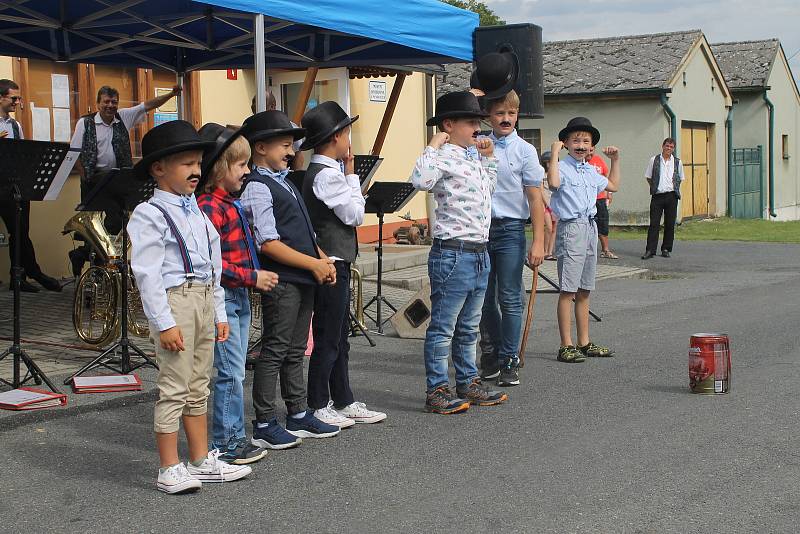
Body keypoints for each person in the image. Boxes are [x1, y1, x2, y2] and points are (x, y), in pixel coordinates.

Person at [127, 120, 251, 494]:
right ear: (159, 168)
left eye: (198, 163)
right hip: (175, 300)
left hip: (201, 297)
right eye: (186, 163)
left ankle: (200, 460)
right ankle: (169, 467)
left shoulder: (196, 211)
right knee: (174, 385)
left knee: (199, 383)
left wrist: (220, 314)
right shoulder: (149, 214)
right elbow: (147, 275)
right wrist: (164, 322)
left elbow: (212, 269)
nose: (196, 171)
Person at [238, 110, 341, 448]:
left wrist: (322, 259)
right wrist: (312, 264)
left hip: (303, 277)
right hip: (283, 281)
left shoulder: (283, 181)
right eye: (284, 145)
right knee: (276, 349)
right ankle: (265, 421)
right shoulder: (257, 186)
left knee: (296, 349)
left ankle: (297, 413)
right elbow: (267, 242)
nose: (291, 151)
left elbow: (304, 233)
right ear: (260, 147)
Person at [411, 90, 507, 414]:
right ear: (448, 125)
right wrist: (433, 144)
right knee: (443, 326)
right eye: (470, 123)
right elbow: (420, 180)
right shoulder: (440, 156)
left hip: (479, 251)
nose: (477, 129)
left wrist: (490, 158)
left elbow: (489, 190)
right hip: (453, 252)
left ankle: (468, 380)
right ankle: (437, 388)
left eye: (478, 122)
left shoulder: (472, 156)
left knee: (469, 325)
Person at [196, 123, 280, 464]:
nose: (247, 172)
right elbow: (213, 266)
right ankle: (227, 442)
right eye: (241, 165)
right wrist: (252, 276)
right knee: (229, 372)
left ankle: (232, 436)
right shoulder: (209, 206)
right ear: (219, 169)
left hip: (238, 297)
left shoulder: (229, 202)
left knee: (236, 371)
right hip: (224, 298)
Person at [300, 101, 387, 427]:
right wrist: (352, 177)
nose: (350, 138)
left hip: (336, 261)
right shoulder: (327, 177)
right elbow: (354, 215)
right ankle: (319, 402)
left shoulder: (327, 173)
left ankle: (343, 398)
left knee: (339, 335)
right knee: (328, 336)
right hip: (330, 263)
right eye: (347, 131)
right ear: (336, 137)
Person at [69, 85, 182, 274]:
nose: (110, 106)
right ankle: (87, 257)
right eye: (106, 101)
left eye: (114, 102)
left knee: (117, 222)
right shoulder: (85, 123)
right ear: (98, 103)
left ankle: (98, 261)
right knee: (92, 226)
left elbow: (148, 105)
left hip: (116, 179)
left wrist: (171, 94)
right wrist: (83, 176)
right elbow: (75, 152)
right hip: (93, 179)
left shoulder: (123, 117)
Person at [477, 90, 545, 388]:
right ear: (489, 115)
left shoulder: (525, 150)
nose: (505, 119)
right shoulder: (477, 144)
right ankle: (490, 351)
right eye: (499, 113)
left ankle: (509, 358)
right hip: (480, 229)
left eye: (511, 113)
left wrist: (539, 240)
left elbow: (534, 198)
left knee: (510, 296)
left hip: (510, 230)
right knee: (483, 298)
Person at [547, 117, 621, 363]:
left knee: (585, 289)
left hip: (590, 226)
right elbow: (554, 183)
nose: (580, 144)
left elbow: (613, 186)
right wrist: (554, 155)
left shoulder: (591, 170)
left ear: (591, 147)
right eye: (575, 140)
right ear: (566, 143)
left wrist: (615, 160)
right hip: (571, 228)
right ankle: (565, 344)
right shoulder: (562, 167)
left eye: (586, 141)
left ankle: (584, 341)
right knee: (568, 290)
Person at [0, 78, 61, 292]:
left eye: (19, 98)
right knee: (16, 230)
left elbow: (22, 153)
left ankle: (21, 275)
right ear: (1, 97)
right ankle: (31, 272)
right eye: (14, 98)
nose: (18, 102)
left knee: (20, 231)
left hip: (13, 185)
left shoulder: (15, 125)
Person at [643, 137, 683, 259]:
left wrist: (674, 188)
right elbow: (648, 177)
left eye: (671, 147)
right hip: (657, 196)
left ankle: (666, 248)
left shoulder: (677, 162)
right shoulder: (654, 160)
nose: (668, 149)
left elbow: (680, 178)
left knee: (670, 224)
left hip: (671, 196)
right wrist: (655, 187)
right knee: (654, 224)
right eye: (667, 146)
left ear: (673, 149)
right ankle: (650, 250)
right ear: (663, 146)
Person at [587, 146, 618, 259]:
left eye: (592, 149)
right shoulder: (582, 164)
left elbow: (607, 179)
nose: (590, 151)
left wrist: (609, 193)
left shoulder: (598, 160)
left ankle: (605, 250)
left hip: (600, 198)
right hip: (588, 199)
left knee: (603, 223)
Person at [539, 151, 558, 261]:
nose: (548, 164)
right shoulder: (541, 173)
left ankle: (550, 252)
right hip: (545, 205)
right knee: (548, 228)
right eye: (546, 162)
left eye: (550, 162)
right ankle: (544, 250)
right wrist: (548, 204)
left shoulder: (557, 174)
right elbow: (541, 190)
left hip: (556, 204)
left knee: (554, 229)